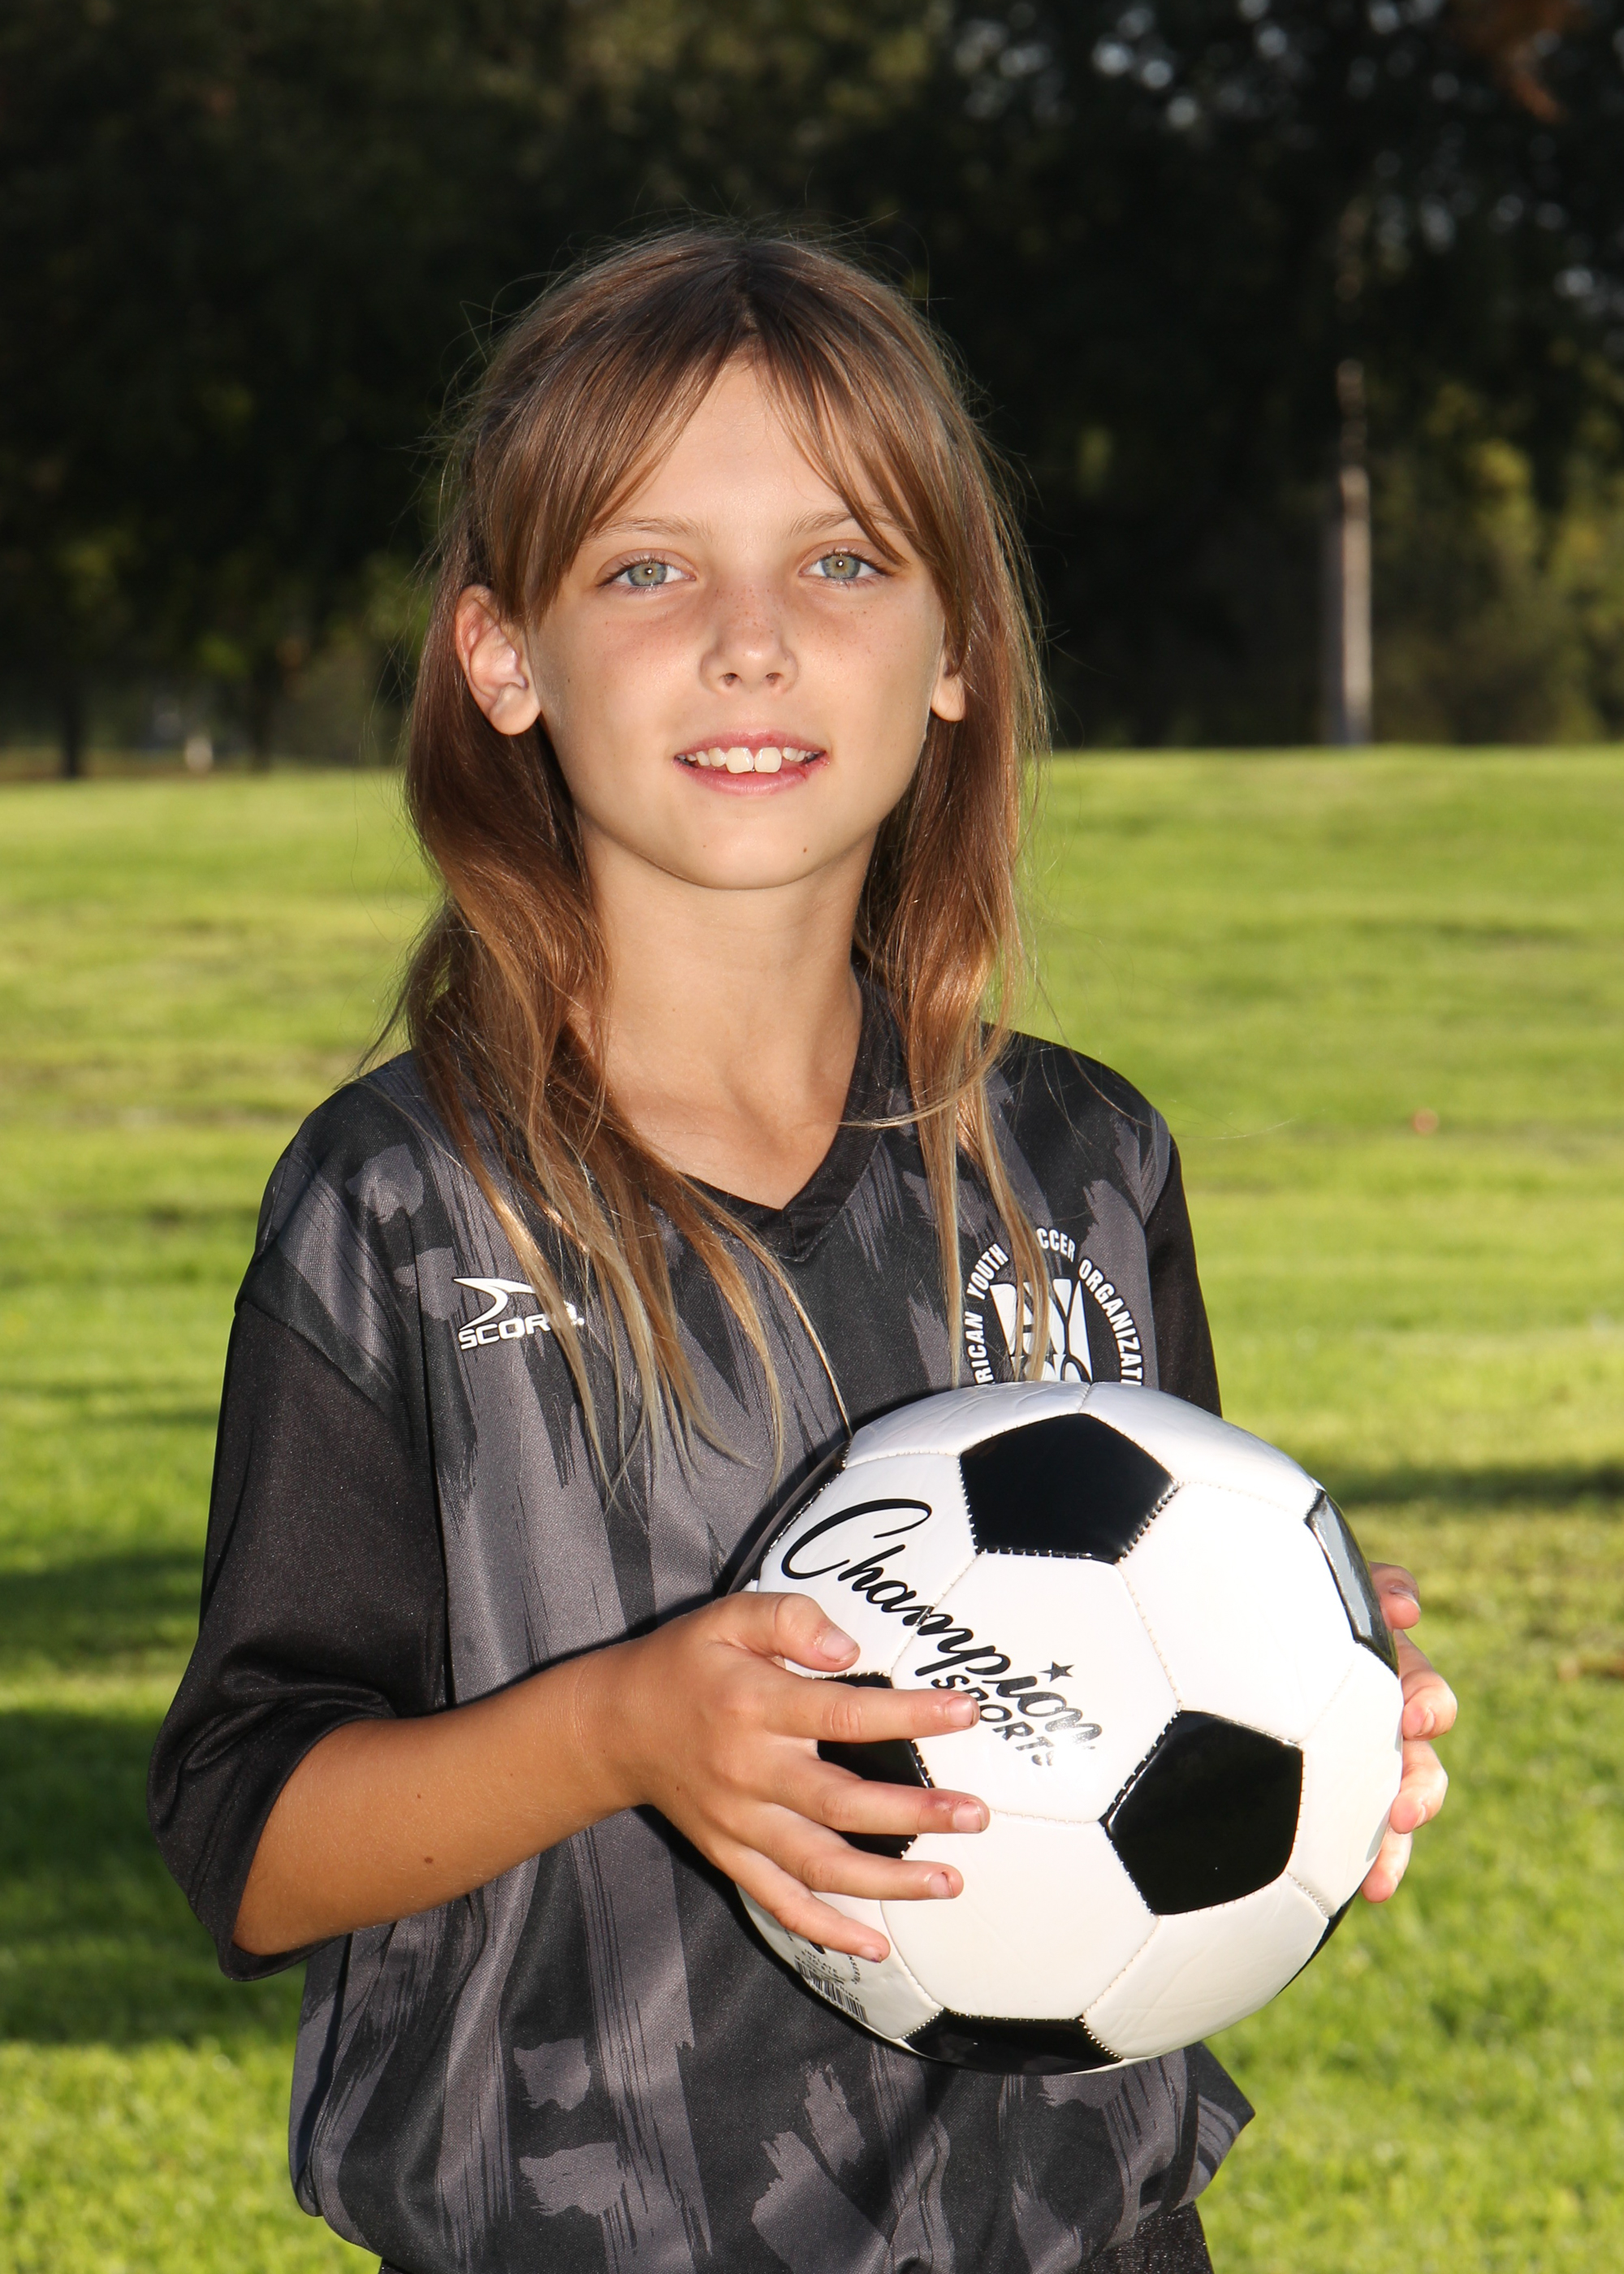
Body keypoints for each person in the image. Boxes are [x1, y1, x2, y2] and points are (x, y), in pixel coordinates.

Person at [149, 227, 1454, 2274]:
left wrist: (1314, 1706)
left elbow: (1128, 1678)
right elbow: (250, 1841)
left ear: (954, 649)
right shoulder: (398, 1206)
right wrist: (616, 1728)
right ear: (503, 656)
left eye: (840, 560)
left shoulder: (1081, 1162)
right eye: (647, 568)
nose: (750, 641)